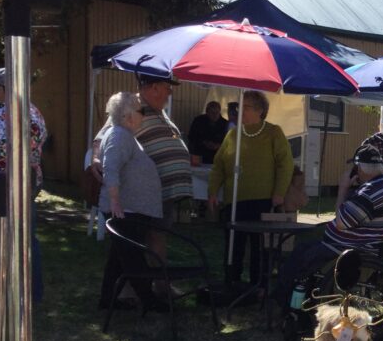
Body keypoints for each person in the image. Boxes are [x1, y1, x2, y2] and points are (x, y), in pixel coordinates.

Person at [274, 144, 383, 313]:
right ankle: (290, 297)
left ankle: (283, 302)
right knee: (306, 246)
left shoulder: (368, 194)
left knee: (300, 253)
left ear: (359, 169)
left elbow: (340, 222)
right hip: (367, 247)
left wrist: (342, 188)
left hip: (351, 252)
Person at [92, 73, 192, 284]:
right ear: (154, 87)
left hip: (160, 190)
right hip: (142, 194)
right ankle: (148, 288)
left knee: (155, 236)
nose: (170, 92)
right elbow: (104, 138)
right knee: (147, 239)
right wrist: (95, 159)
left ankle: (152, 285)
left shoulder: (158, 111)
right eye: (167, 87)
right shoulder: (132, 106)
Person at [208, 91, 294, 286]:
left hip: (263, 200)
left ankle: (259, 285)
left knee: (259, 246)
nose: (240, 111)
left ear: (260, 110)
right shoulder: (232, 134)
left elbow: (285, 164)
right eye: (239, 107)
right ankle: (232, 281)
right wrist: (213, 191)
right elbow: (218, 166)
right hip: (234, 199)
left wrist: (279, 192)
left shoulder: (273, 132)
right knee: (233, 244)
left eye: (245, 107)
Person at [97, 92, 166, 312]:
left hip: (129, 210)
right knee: (133, 259)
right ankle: (149, 300)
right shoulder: (119, 136)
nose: (143, 115)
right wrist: (115, 202)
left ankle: (107, 300)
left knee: (119, 258)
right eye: (141, 111)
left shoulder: (123, 134)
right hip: (125, 211)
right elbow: (111, 168)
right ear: (128, 116)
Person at [0, 67, 48, 302]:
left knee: (24, 237)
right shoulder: (3, 112)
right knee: (2, 238)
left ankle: (31, 292)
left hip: (16, 185)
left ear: (7, 88)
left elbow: (22, 152)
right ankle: (6, 290)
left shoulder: (26, 114)